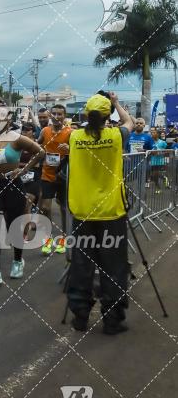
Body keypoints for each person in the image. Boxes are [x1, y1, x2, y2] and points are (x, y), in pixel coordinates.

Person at [66, 92, 134, 334]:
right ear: (108, 116)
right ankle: (112, 320)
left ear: (86, 114)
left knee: (82, 265)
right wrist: (116, 103)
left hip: (82, 211)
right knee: (113, 266)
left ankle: (80, 317)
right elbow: (131, 122)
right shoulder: (116, 136)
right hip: (111, 213)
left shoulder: (74, 137)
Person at [0, 106, 44, 287]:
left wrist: (22, 170)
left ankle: (17, 261)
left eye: (4, 115)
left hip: (12, 185)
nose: (0, 118)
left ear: (10, 118)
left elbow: (40, 152)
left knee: (14, 225)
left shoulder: (17, 138)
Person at [39, 104, 71, 255]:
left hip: (63, 175)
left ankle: (63, 239)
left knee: (64, 208)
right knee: (45, 207)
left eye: (60, 114)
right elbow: (37, 145)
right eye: (54, 114)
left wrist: (70, 150)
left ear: (64, 116)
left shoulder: (71, 133)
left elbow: (79, 152)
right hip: (47, 174)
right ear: (50, 115)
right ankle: (47, 239)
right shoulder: (45, 131)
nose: (57, 117)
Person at [149, 127, 168, 193]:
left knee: (155, 175)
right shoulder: (150, 142)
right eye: (151, 133)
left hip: (159, 161)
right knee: (153, 176)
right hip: (152, 160)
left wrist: (160, 152)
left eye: (154, 133)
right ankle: (164, 178)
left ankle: (159, 188)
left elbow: (167, 151)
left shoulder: (162, 142)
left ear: (157, 134)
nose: (152, 134)